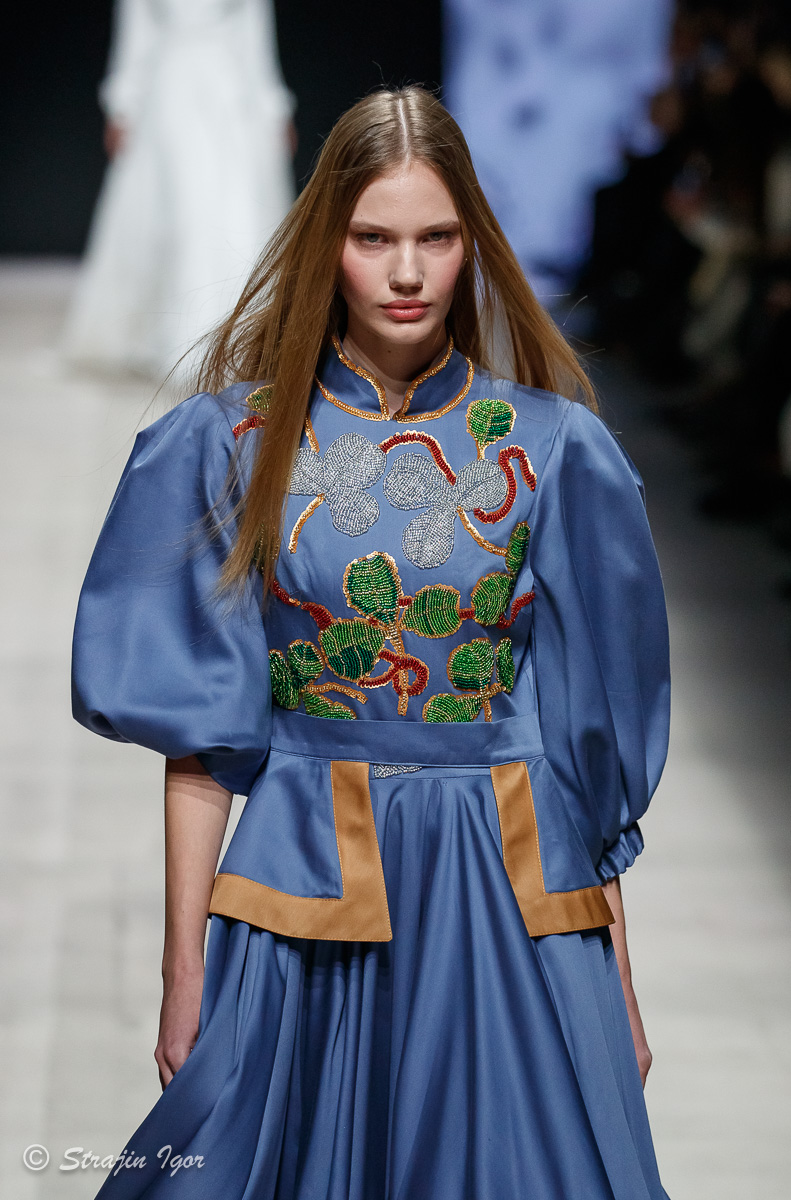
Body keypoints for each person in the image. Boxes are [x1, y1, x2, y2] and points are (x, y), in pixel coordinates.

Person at [71, 85, 671, 1199]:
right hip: (299, 891)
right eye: (373, 238)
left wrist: (614, 979)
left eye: (436, 238)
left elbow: (583, 758)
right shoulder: (234, 444)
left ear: (473, 243)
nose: (406, 273)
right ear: (326, 245)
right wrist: (181, 968)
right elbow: (201, 736)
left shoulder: (551, 449)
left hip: (507, 893)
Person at [62, 0, 295, 385]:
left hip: (232, 94)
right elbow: (136, 31)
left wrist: (273, 107)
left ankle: (245, 339)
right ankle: (171, 339)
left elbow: (255, 34)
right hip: (169, 92)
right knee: (179, 212)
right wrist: (123, 103)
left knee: (234, 212)